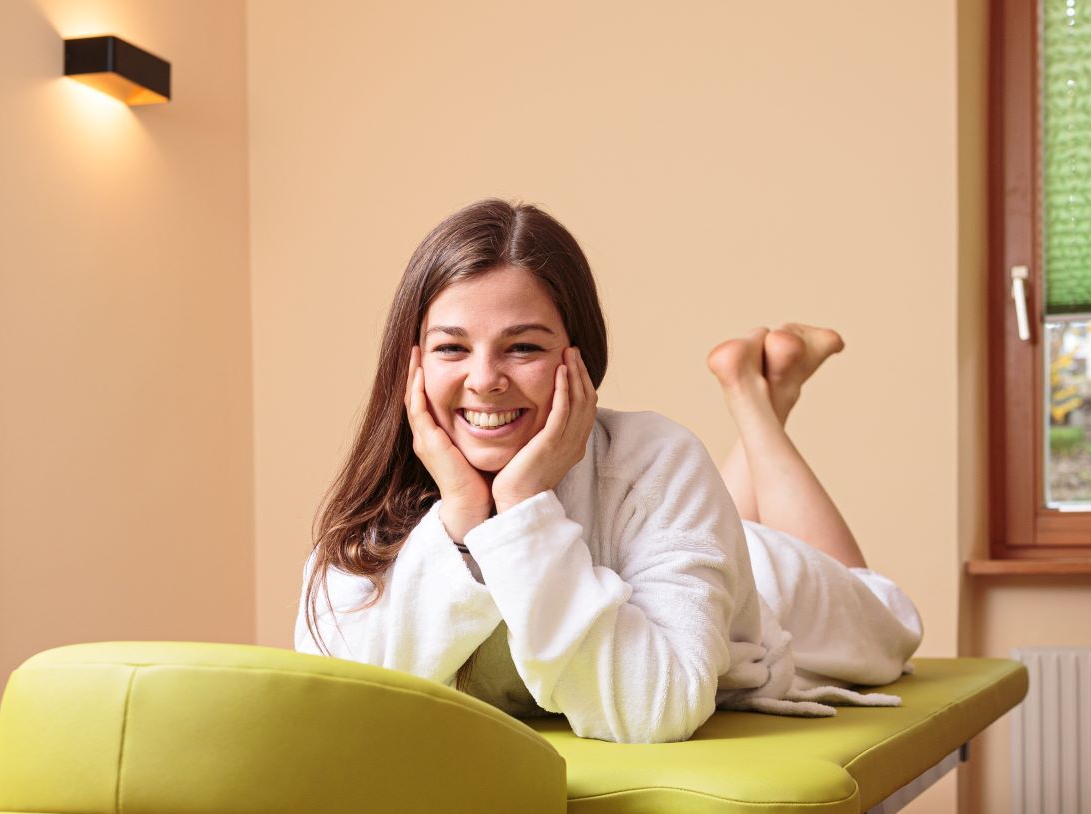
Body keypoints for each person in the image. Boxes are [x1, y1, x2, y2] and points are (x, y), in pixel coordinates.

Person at [295, 199, 922, 744]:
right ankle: (764, 392)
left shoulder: (655, 458)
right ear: (412, 367)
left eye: (524, 347)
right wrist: (462, 514)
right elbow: (352, 695)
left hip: (759, 582)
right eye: (452, 348)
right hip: (666, 541)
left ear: (579, 360)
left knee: (887, 618)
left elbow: (655, 709)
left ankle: (756, 403)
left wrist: (521, 505)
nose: (484, 380)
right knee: (707, 517)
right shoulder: (372, 516)